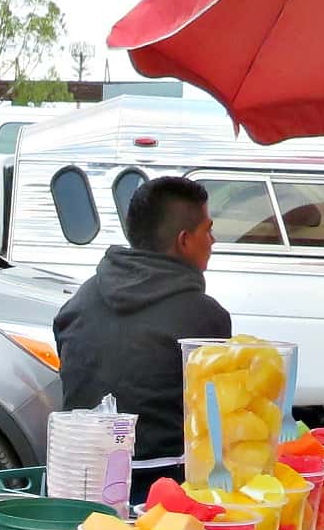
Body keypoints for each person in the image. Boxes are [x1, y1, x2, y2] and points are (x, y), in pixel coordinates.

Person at [52, 175, 230, 500]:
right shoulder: (205, 317)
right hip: (162, 495)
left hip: (74, 488)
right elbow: (215, 424)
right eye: (208, 230)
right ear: (184, 240)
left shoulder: (77, 302)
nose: (213, 241)